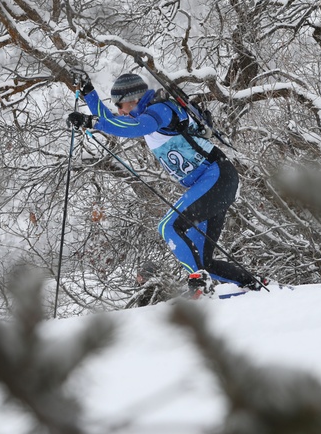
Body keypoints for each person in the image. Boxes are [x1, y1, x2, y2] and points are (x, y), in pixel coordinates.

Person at [67, 72, 266, 297]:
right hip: (212, 182)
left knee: (168, 226)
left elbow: (132, 128)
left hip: (217, 176)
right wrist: (88, 92)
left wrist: (91, 122)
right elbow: (118, 121)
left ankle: (199, 285)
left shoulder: (159, 110)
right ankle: (254, 284)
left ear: (133, 98)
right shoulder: (145, 116)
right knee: (203, 261)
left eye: (121, 105)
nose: (120, 111)